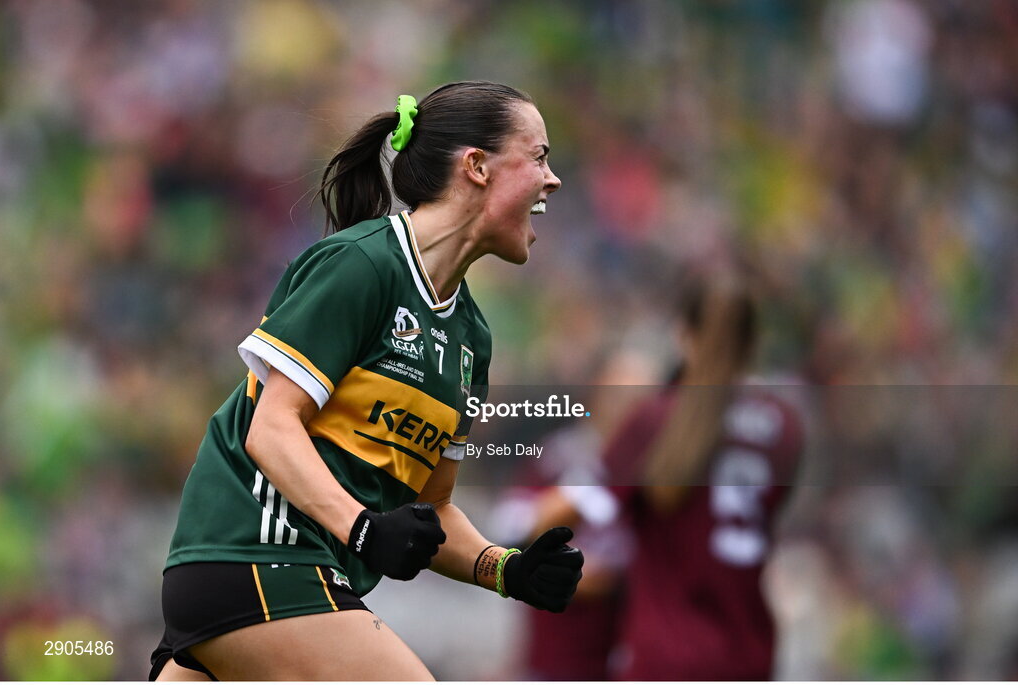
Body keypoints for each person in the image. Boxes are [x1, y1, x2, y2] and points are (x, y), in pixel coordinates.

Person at [150, 81, 583, 681]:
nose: (552, 178)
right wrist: (361, 529)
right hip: (257, 558)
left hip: (279, 578)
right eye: (538, 157)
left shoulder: (471, 340)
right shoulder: (363, 265)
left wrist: (503, 568)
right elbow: (271, 430)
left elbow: (430, 506)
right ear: (477, 167)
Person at [529, 269, 803, 680]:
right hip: (751, 657)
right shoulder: (784, 426)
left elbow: (566, 511)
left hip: (666, 655)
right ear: (753, 344)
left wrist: (518, 541)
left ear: (682, 336)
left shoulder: (656, 419)